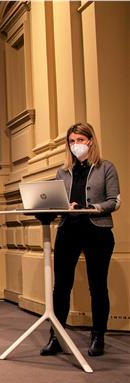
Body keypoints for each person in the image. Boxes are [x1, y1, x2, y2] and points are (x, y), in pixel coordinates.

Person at [40, 122, 120, 357]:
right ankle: (56, 336)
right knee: (61, 287)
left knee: (97, 286)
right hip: (68, 230)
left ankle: (98, 337)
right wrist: (63, 206)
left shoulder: (106, 167)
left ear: (90, 141)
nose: (76, 145)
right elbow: (55, 200)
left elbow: (114, 201)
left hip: (98, 232)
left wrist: (90, 208)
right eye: (72, 141)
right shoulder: (63, 171)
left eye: (80, 140)